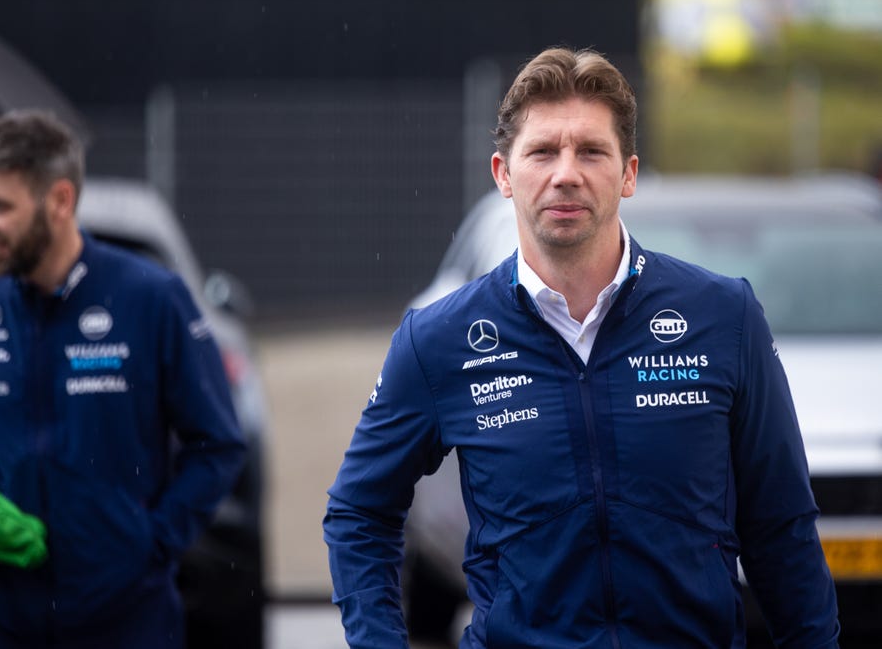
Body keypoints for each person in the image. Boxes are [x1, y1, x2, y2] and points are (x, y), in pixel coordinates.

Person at [323, 47, 840, 648]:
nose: (565, 172)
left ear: (629, 173)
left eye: (591, 151)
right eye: (542, 151)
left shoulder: (724, 318)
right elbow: (358, 513)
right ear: (503, 175)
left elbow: (781, 527)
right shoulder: (437, 341)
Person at [0, 109, 247, 648]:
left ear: (60, 201)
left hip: (122, 621)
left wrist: (150, 543)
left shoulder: (151, 299)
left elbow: (218, 444)